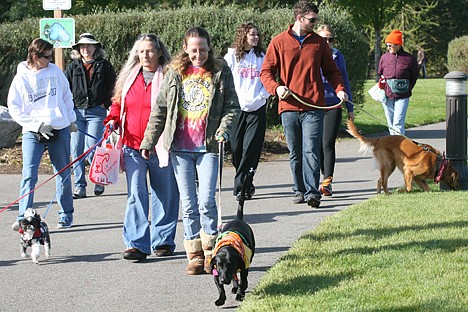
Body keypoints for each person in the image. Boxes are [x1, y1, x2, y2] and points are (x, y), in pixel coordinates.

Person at [140, 27, 240, 274]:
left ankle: (211, 252)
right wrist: (148, 141)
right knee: (188, 203)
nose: (199, 55)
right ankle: (194, 254)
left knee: (206, 201)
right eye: (194, 50)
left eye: (203, 50)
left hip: (208, 146)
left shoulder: (220, 70)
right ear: (185, 48)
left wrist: (224, 129)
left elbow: (232, 107)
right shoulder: (174, 71)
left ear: (209, 48)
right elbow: (160, 110)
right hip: (180, 147)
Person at [260, 1, 348, 208]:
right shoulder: (279, 42)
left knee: (311, 149)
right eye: (312, 20)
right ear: (299, 18)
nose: (315, 23)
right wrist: (276, 88)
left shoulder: (319, 43)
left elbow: (331, 71)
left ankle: (312, 192)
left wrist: (339, 89)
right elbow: (266, 72)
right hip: (288, 106)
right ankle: (298, 189)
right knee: (295, 152)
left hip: (313, 106)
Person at [104, 34, 180, 261]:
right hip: (131, 144)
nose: (145, 55)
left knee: (165, 194)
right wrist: (112, 118)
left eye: (149, 51)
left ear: (159, 52)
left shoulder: (168, 75)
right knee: (136, 195)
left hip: (161, 145)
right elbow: (118, 103)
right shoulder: (128, 76)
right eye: (141, 51)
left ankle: (163, 240)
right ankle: (136, 244)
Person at [8, 38, 77, 229]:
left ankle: (66, 214)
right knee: (29, 175)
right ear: (35, 56)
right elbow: (14, 108)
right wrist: (36, 125)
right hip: (33, 131)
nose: (50, 60)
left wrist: (70, 119)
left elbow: (66, 95)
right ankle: (23, 216)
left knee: (62, 172)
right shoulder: (20, 78)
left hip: (59, 127)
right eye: (46, 56)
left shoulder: (55, 72)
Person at [65, 33, 116, 199]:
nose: (85, 49)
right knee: (76, 149)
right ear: (78, 49)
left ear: (96, 48)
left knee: (92, 147)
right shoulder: (72, 67)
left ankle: (99, 178)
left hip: (96, 111)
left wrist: (107, 105)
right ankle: (80, 186)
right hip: (76, 112)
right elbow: (65, 89)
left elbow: (113, 88)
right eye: (82, 46)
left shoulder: (105, 66)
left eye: (89, 46)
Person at [224, 22, 269, 201]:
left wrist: (261, 97)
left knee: (251, 148)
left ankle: (242, 186)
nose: (256, 37)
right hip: (237, 109)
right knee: (236, 148)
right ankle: (244, 181)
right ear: (243, 36)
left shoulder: (263, 57)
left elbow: (269, 79)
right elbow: (226, 80)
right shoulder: (232, 56)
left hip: (257, 108)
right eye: (252, 34)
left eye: (257, 34)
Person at [316, 24, 354, 197]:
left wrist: (350, 107)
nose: (327, 42)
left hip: (333, 104)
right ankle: (317, 178)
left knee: (327, 143)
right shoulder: (311, 54)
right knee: (315, 145)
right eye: (324, 38)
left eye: (330, 39)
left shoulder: (338, 56)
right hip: (314, 104)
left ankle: (327, 181)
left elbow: (344, 80)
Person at [378, 29, 418, 135]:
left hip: (403, 95)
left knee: (398, 123)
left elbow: (414, 76)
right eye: (387, 45)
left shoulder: (409, 59)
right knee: (390, 124)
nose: (388, 48)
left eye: (390, 45)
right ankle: (393, 147)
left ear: (398, 45)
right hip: (387, 95)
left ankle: (400, 148)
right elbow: (379, 73)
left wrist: (408, 88)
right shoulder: (384, 58)